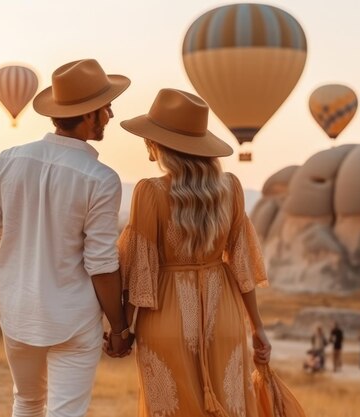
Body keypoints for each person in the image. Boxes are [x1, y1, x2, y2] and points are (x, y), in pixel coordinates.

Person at [0, 59, 132, 417]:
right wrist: (118, 326)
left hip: (18, 312)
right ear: (90, 115)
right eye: (107, 107)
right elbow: (100, 262)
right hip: (73, 318)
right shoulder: (100, 178)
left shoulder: (7, 161)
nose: (112, 115)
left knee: (25, 402)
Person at [116, 88, 272, 416]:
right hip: (225, 316)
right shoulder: (231, 188)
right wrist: (258, 327)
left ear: (157, 143)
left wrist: (123, 328)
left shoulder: (149, 192)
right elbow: (243, 266)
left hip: (166, 317)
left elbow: (140, 270)